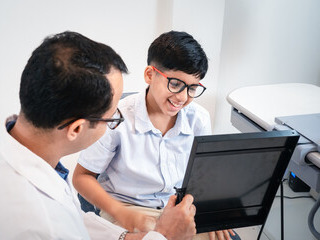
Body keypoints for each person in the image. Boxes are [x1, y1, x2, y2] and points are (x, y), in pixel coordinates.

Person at [0, 31, 197, 240]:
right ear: (77, 129)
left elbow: (72, 218)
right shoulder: (35, 223)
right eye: (112, 118)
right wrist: (164, 236)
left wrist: (125, 236)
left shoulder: (2, 140)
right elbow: (59, 225)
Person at [73, 31, 237, 240]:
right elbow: (82, 177)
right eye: (175, 84)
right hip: (128, 207)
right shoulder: (117, 117)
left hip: (177, 207)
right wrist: (122, 213)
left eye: (192, 88)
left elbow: (202, 175)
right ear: (150, 75)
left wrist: (210, 211)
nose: (183, 97)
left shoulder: (199, 119)